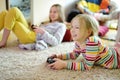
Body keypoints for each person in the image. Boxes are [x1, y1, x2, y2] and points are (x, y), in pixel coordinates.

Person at [47, 14, 120, 71]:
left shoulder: (92, 42)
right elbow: (74, 55)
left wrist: (64, 64)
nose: (72, 30)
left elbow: (87, 66)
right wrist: (58, 56)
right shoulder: (78, 41)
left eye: (77, 27)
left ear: (88, 31)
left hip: (117, 59)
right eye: (71, 27)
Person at [0, 4, 66, 50]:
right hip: (31, 32)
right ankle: (4, 41)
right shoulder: (47, 22)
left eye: (55, 12)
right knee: (8, 12)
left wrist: (43, 32)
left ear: (60, 13)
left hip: (33, 38)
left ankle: (3, 42)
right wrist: (34, 27)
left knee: (14, 22)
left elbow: (56, 42)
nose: (52, 14)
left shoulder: (61, 26)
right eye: (50, 11)